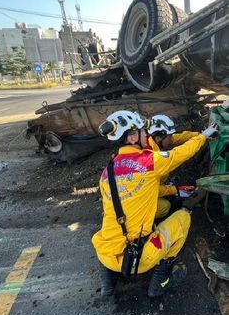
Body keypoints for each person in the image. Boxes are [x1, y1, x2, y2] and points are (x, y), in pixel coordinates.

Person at [92, 110, 218, 298]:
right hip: (140, 259)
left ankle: (108, 282)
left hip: (105, 254)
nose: (147, 135)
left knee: (112, 223)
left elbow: (145, 191)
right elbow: (180, 153)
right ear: (133, 137)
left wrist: (175, 189)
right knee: (183, 217)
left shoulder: (107, 172)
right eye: (143, 132)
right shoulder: (148, 162)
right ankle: (160, 281)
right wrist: (203, 136)